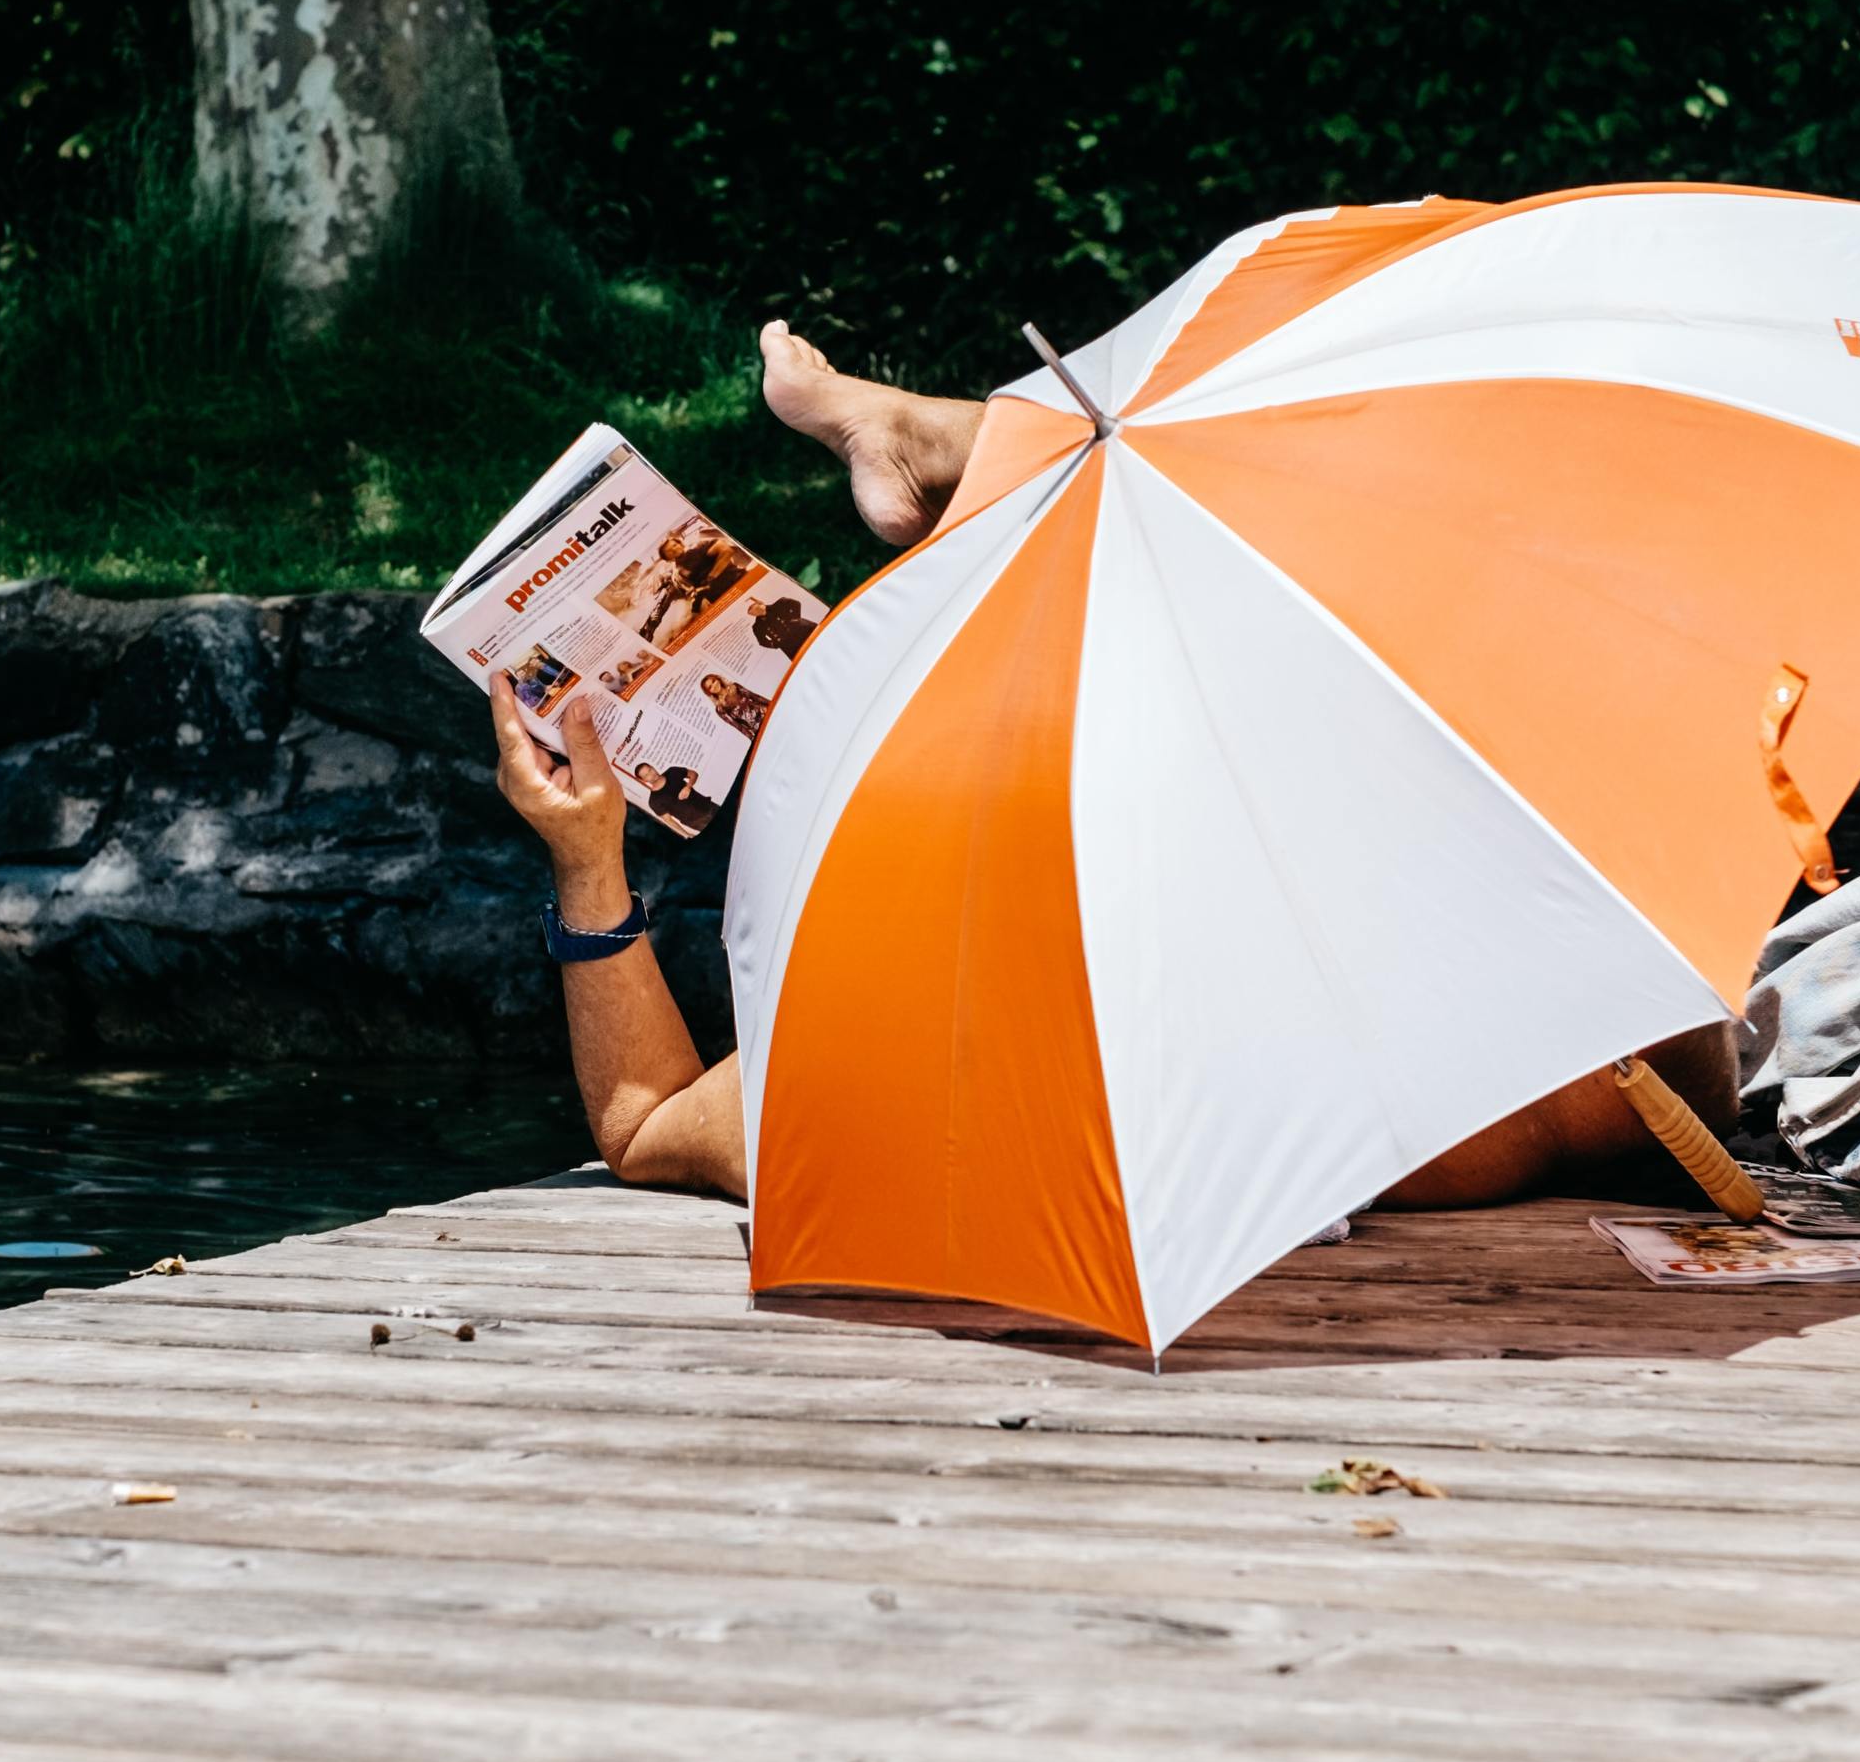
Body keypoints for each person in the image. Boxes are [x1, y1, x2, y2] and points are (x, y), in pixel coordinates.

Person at [488, 316, 1740, 1210]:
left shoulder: (1000, 1070)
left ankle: (967, 448)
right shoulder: (1577, 936)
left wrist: (589, 860)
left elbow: (643, 1122)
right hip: (1560, 1024)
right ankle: (962, 446)